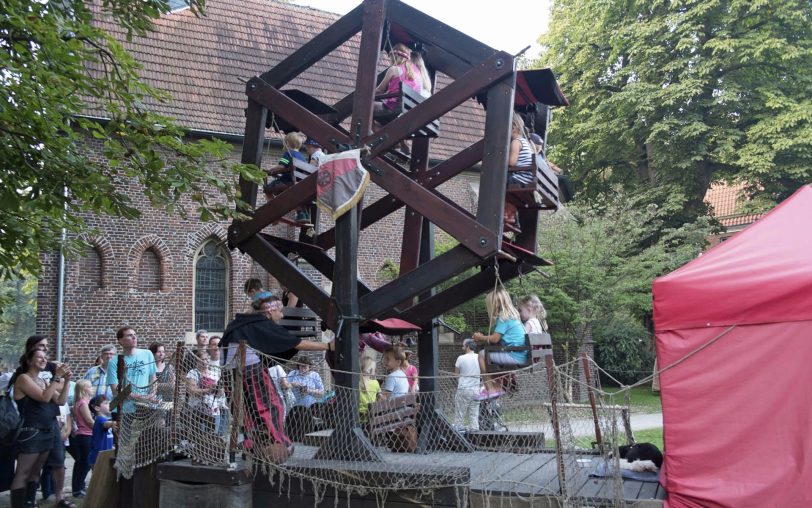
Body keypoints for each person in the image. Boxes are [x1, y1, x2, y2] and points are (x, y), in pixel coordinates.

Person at [219, 294, 333, 459]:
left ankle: (254, 442)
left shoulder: (242, 323)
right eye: (279, 311)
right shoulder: (260, 323)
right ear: (269, 312)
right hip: (249, 372)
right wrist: (328, 346)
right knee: (271, 406)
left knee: (249, 411)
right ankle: (276, 443)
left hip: (232, 374)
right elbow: (293, 342)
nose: (281, 315)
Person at [9, 348, 73, 508]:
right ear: (29, 361)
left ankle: (30, 503)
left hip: (46, 430)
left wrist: (65, 382)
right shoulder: (23, 379)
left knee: (36, 471)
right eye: (39, 357)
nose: (44, 360)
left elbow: (60, 401)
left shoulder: (43, 381)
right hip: (31, 431)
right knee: (23, 472)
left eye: (45, 357)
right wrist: (57, 377)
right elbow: (44, 398)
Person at [472, 287, 527, 397]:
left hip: (515, 356)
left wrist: (480, 337)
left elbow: (495, 339)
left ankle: (490, 389)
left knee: (482, 355)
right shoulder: (513, 316)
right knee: (490, 354)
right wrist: (483, 338)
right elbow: (496, 340)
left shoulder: (503, 317)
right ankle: (497, 386)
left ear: (494, 305)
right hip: (520, 354)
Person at [106, 326, 158, 414]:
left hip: (145, 406)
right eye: (129, 335)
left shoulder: (147, 354)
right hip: (124, 410)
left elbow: (153, 378)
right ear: (121, 341)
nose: (134, 337)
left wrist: (152, 395)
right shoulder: (114, 362)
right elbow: (116, 390)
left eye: (135, 334)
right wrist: (142, 397)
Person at [263, 132, 311, 224]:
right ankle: (302, 214)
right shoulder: (302, 157)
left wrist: (270, 170)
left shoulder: (288, 153)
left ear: (287, 143)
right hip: (298, 182)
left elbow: (281, 166)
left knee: (267, 189)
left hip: (287, 181)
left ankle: (274, 212)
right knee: (290, 195)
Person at [503, 112, 536, 232]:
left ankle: (506, 215)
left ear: (514, 127)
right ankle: (512, 217)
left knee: (497, 181)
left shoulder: (516, 142)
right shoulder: (526, 142)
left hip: (521, 178)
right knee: (506, 189)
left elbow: (511, 163)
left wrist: (501, 159)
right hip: (527, 178)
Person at [374, 43, 424, 114]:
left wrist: (367, 94)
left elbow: (380, 90)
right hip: (410, 109)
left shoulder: (394, 69)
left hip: (395, 107)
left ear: (395, 56)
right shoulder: (417, 72)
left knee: (367, 105)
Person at [185, 350, 226, 435]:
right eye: (203, 359)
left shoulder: (214, 373)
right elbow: (191, 391)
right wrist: (208, 390)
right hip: (199, 411)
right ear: (197, 360)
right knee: (200, 438)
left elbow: (221, 394)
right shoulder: (193, 373)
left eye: (207, 359)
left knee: (212, 437)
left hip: (214, 410)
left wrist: (219, 389)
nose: (206, 361)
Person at [70, 380, 94, 499]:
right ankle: (78, 488)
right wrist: (101, 426)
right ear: (84, 390)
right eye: (89, 386)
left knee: (81, 462)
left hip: (83, 435)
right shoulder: (83, 403)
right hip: (85, 435)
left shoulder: (81, 402)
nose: (92, 388)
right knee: (85, 463)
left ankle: (78, 487)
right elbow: (89, 421)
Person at [453, 339, 481, 431]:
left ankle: (459, 431)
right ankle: (474, 431)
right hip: (476, 390)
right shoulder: (480, 357)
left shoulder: (461, 358)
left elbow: (456, 374)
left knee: (460, 414)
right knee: (474, 414)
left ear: (468, 346)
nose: (462, 347)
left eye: (463, 345)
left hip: (463, 389)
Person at [87, 395, 115, 467]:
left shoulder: (104, 419)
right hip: (98, 458)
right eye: (106, 403)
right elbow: (106, 424)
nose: (109, 404)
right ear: (97, 408)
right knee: (99, 478)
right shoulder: (100, 419)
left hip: (103, 457)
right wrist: (113, 423)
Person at [358, 356, 380, 423]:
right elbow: (379, 398)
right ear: (371, 370)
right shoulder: (375, 383)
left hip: (357, 418)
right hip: (370, 419)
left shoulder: (356, 383)